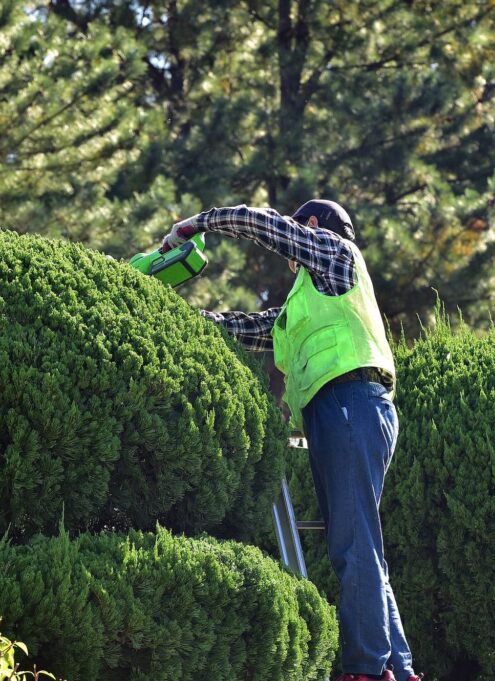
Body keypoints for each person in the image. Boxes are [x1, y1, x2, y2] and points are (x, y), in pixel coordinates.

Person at [161, 201, 421, 681]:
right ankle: (397, 670)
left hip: (351, 402)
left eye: (298, 232)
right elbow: (246, 327)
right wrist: (171, 316)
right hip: (338, 411)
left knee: (353, 543)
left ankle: (364, 670)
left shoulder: (337, 256)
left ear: (313, 227)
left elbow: (265, 225)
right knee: (361, 543)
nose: (289, 252)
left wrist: (199, 223)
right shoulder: (306, 302)